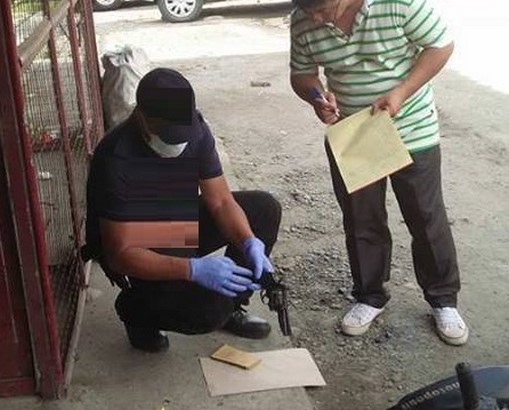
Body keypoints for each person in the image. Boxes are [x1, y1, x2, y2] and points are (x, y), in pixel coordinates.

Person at [289, 0, 468, 345]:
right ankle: (369, 295)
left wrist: (402, 90)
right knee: (361, 219)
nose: (313, 18)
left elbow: (441, 45)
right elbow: (302, 74)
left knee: (426, 217)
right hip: (354, 132)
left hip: (411, 129)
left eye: (320, 10)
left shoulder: (397, 3)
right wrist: (317, 98)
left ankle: (443, 299)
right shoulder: (303, 18)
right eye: (306, 10)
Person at [82, 67, 282, 352]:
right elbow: (120, 254)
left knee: (263, 209)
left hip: (176, 219)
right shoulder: (117, 157)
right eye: (168, 135)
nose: (177, 143)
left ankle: (232, 304)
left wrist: (247, 241)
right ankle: (136, 312)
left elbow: (221, 201)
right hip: (135, 242)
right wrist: (191, 268)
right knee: (205, 313)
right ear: (141, 116)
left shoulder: (196, 128)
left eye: (182, 134)